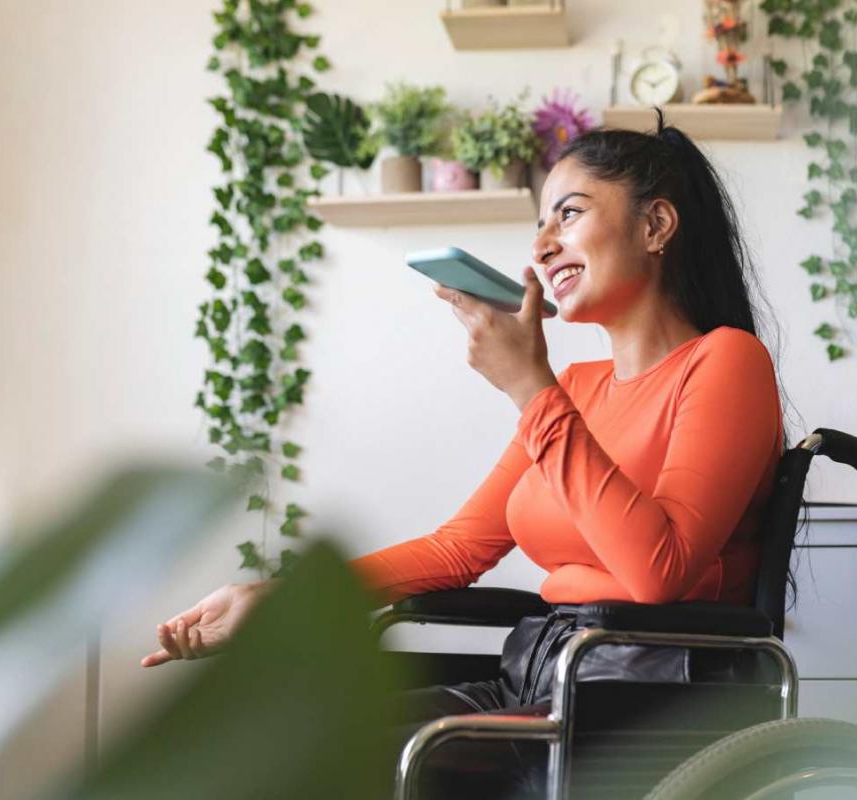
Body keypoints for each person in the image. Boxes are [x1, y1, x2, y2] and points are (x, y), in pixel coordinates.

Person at [141, 108, 794, 797]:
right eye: (540, 223)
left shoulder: (725, 362)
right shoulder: (577, 388)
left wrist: (530, 389)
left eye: (567, 215)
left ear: (656, 225)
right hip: (539, 677)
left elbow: (657, 574)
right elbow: (458, 549)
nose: (541, 247)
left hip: (641, 698)